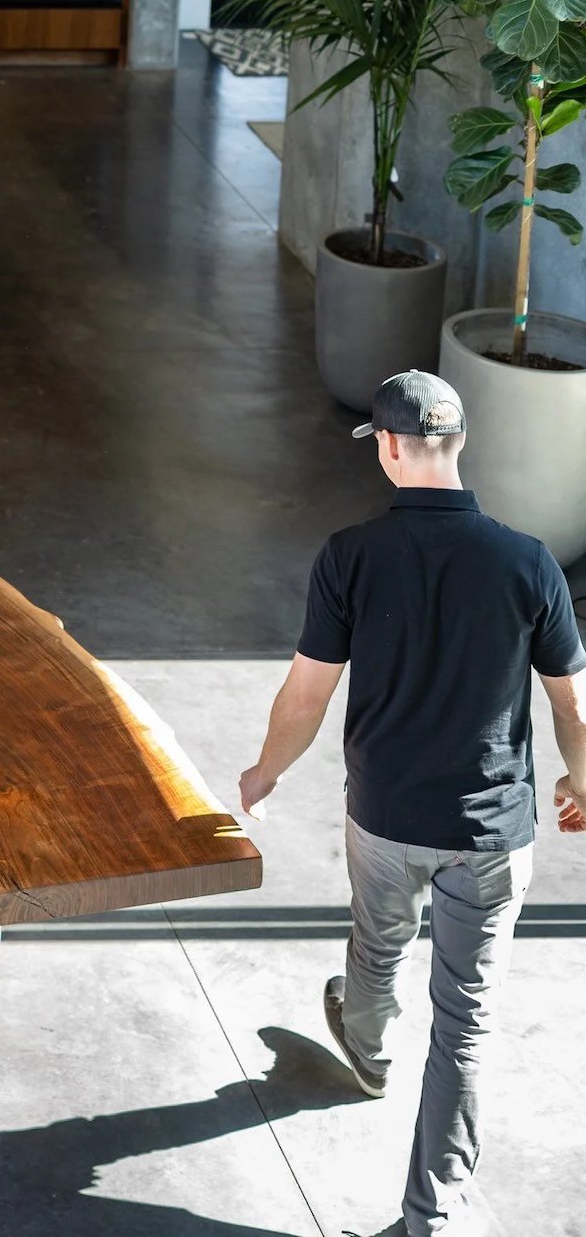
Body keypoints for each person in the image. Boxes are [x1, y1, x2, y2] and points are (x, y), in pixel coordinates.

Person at [237, 371, 586, 1236]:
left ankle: (369, 1047)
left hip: (386, 816)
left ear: (388, 448)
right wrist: (582, 776)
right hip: (493, 831)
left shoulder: (351, 555)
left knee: (379, 937)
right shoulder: (528, 560)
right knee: (465, 1025)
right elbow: (572, 702)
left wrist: (264, 773)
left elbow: (306, 695)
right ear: (459, 445)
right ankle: (431, 1219)